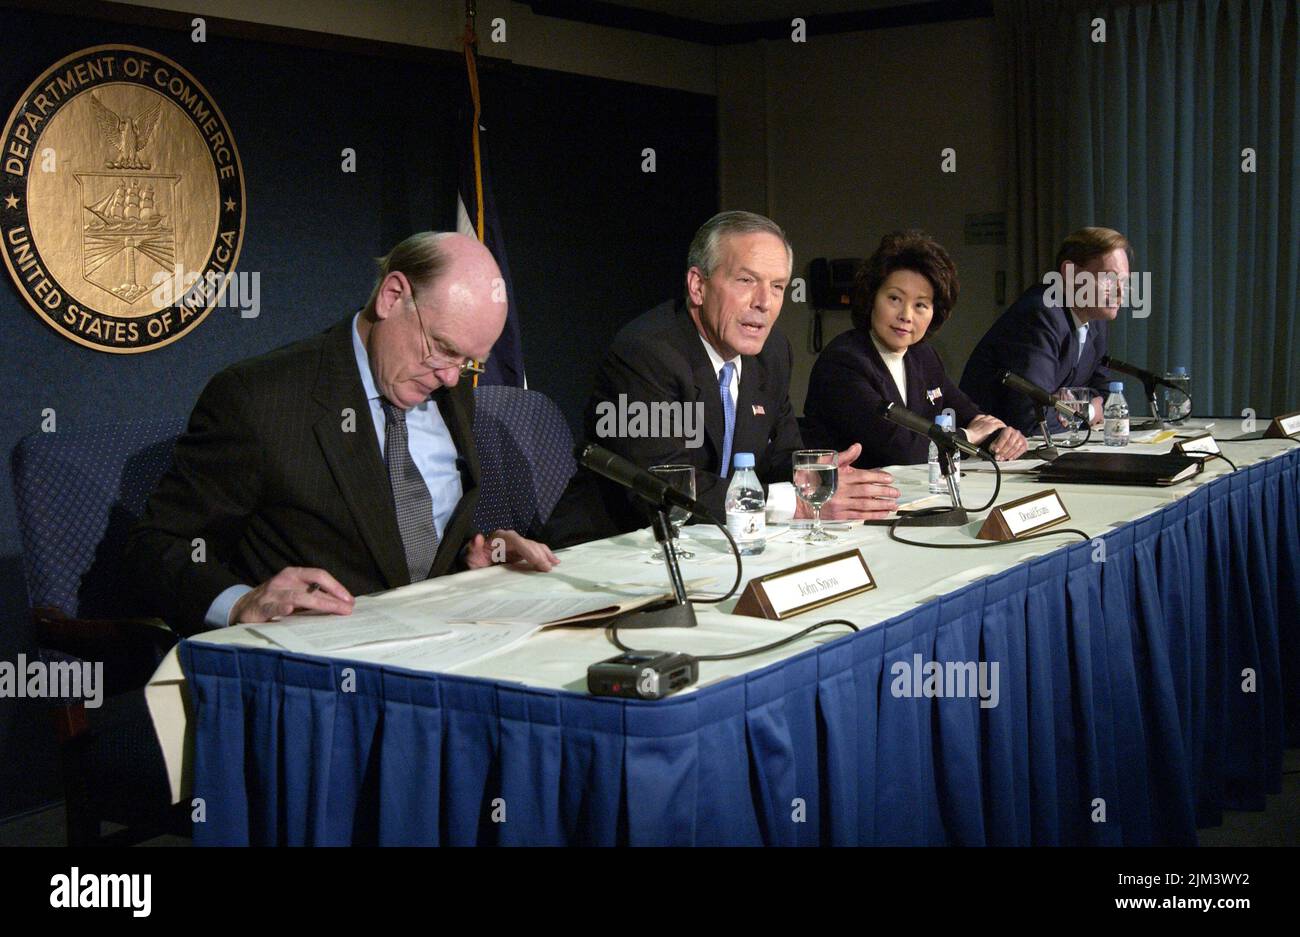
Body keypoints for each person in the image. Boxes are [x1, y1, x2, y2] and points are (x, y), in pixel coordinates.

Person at [127, 232, 558, 636]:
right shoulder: (259, 400)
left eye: (468, 361)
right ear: (393, 297)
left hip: (448, 641)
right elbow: (154, 548)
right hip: (329, 673)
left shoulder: (448, 384)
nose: (450, 376)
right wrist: (241, 604)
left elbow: (406, 537)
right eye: (444, 348)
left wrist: (475, 555)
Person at [542, 210, 900, 549]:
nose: (764, 303)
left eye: (777, 287)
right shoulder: (647, 353)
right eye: (746, 280)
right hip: (612, 551)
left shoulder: (772, 353)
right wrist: (793, 504)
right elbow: (663, 487)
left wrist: (816, 477)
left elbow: (780, 456)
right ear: (698, 286)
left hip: (717, 546)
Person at [803, 231, 1028, 467]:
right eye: (894, 299)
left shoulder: (922, 355)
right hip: (853, 497)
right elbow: (902, 451)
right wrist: (969, 436)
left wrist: (1003, 436)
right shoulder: (843, 362)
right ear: (871, 298)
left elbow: (970, 414)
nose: (906, 316)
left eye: (920, 305)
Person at [959, 226, 1130, 434]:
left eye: (1124, 281)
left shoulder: (1095, 320)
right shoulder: (1041, 314)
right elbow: (1033, 420)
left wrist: (1077, 410)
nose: (1120, 291)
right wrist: (1084, 412)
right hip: (992, 450)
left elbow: (1107, 394)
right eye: (1109, 279)